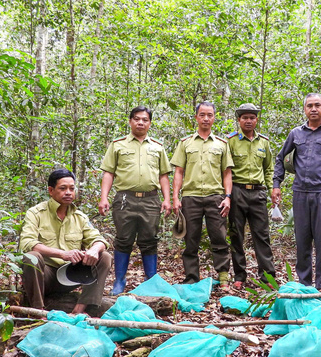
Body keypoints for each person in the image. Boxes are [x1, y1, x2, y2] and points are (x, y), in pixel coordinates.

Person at [272, 93, 321, 290]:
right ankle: (305, 284)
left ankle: (320, 285)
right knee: (302, 239)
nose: (313, 109)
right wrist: (276, 184)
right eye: (309, 106)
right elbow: (281, 158)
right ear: (304, 109)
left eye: (317, 105)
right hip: (300, 192)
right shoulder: (296, 133)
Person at [99, 105, 172, 295]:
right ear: (130, 121)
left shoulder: (157, 147)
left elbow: (164, 175)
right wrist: (104, 197)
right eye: (137, 119)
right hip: (125, 199)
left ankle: (151, 282)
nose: (141, 122)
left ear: (150, 123)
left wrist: (167, 199)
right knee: (123, 239)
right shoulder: (118, 145)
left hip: (150, 199)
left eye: (145, 119)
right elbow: (109, 172)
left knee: (150, 240)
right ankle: (119, 281)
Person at [19, 169, 112, 315]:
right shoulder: (36, 213)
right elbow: (27, 242)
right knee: (32, 257)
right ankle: (38, 312)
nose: (68, 192)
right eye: (63, 188)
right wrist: (63, 254)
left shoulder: (79, 217)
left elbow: (99, 239)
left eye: (71, 188)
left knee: (104, 256)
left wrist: (94, 249)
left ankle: (80, 309)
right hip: (45, 277)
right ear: (51, 190)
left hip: (71, 276)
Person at [170, 101, 234, 287]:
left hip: (216, 197)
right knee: (190, 240)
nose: (206, 118)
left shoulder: (222, 144)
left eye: (210, 115)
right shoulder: (185, 143)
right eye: (202, 115)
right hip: (191, 197)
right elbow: (179, 172)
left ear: (214, 117)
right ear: (196, 117)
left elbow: (226, 173)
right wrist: (175, 197)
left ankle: (223, 277)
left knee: (219, 237)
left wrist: (228, 197)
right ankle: (192, 278)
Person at [227, 103, 276, 290]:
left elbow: (269, 168)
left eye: (252, 117)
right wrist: (228, 195)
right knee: (236, 234)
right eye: (245, 117)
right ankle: (239, 275)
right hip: (237, 191)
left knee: (262, 235)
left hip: (258, 192)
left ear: (256, 120)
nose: (248, 121)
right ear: (239, 120)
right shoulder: (230, 141)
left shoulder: (263, 142)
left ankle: (267, 277)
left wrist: (272, 190)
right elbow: (227, 170)